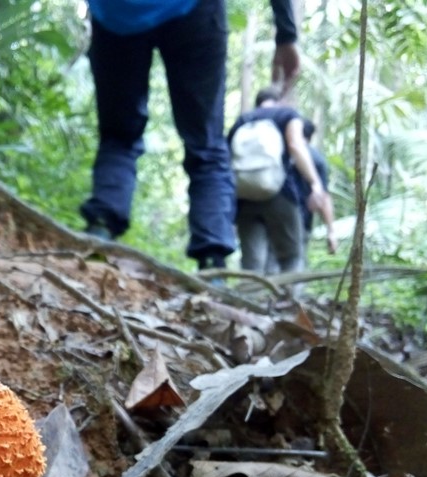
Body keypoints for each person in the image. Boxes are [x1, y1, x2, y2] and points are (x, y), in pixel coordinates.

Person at [80, 0, 300, 273]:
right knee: (206, 145)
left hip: (117, 14)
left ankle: (100, 232)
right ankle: (212, 264)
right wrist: (287, 34)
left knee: (118, 136)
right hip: (195, 13)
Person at [230, 87, 327, 275]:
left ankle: (249, 302)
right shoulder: (286, 114)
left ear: (258, 102)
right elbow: (296, 146)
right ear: (279, 100)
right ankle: (290, 302)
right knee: (291, 256)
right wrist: (315, 183)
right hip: (280, 194)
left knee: (251, 264)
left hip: (244, 197)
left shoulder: (243, 120)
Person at [263, 118, 337, 272]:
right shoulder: (316, 159)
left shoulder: (279, 152)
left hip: (271, 216)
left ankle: (265, 294)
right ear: (310, 137)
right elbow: (323, 196)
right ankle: (289, 295)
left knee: (270, 260)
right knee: (294, 260)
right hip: (299, 221)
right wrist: (331, 230)